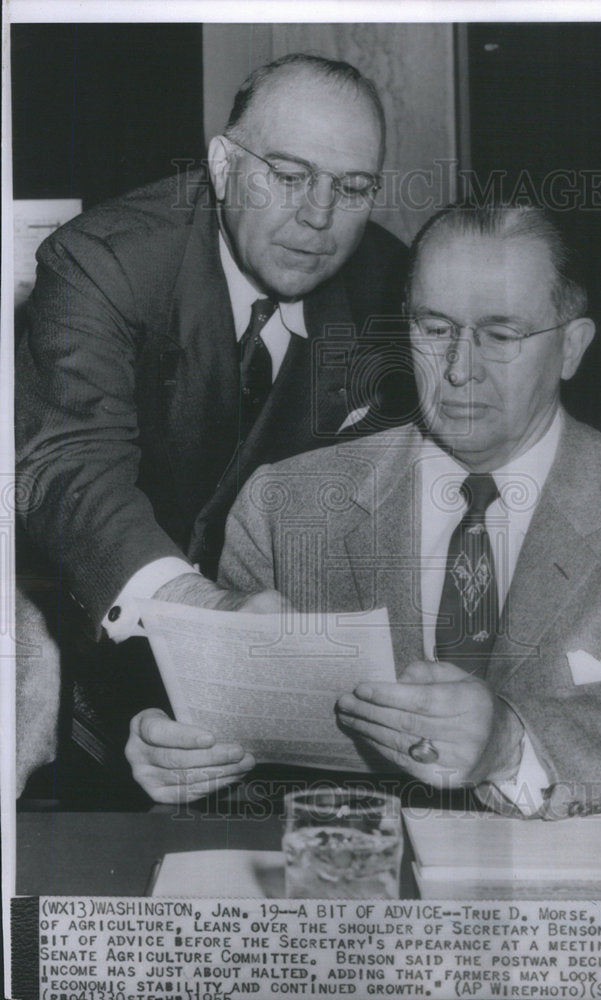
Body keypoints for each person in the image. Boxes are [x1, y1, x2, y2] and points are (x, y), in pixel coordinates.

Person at [125, 203, 601, 818]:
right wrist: (184, 757)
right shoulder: (283, 506)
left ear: (571, 348)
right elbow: (237, 754)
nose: (459, 370)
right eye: (435, 329)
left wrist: (514, 742)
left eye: (500, 335)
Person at [15, 53, 414, 789]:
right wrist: (200, 607)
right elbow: (65, 469)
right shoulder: (105, 260)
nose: (319, 217)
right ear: (225, 164)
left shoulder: (392, 288)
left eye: (352, 188)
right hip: (104, 644)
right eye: (289, 176)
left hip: (285, 675)